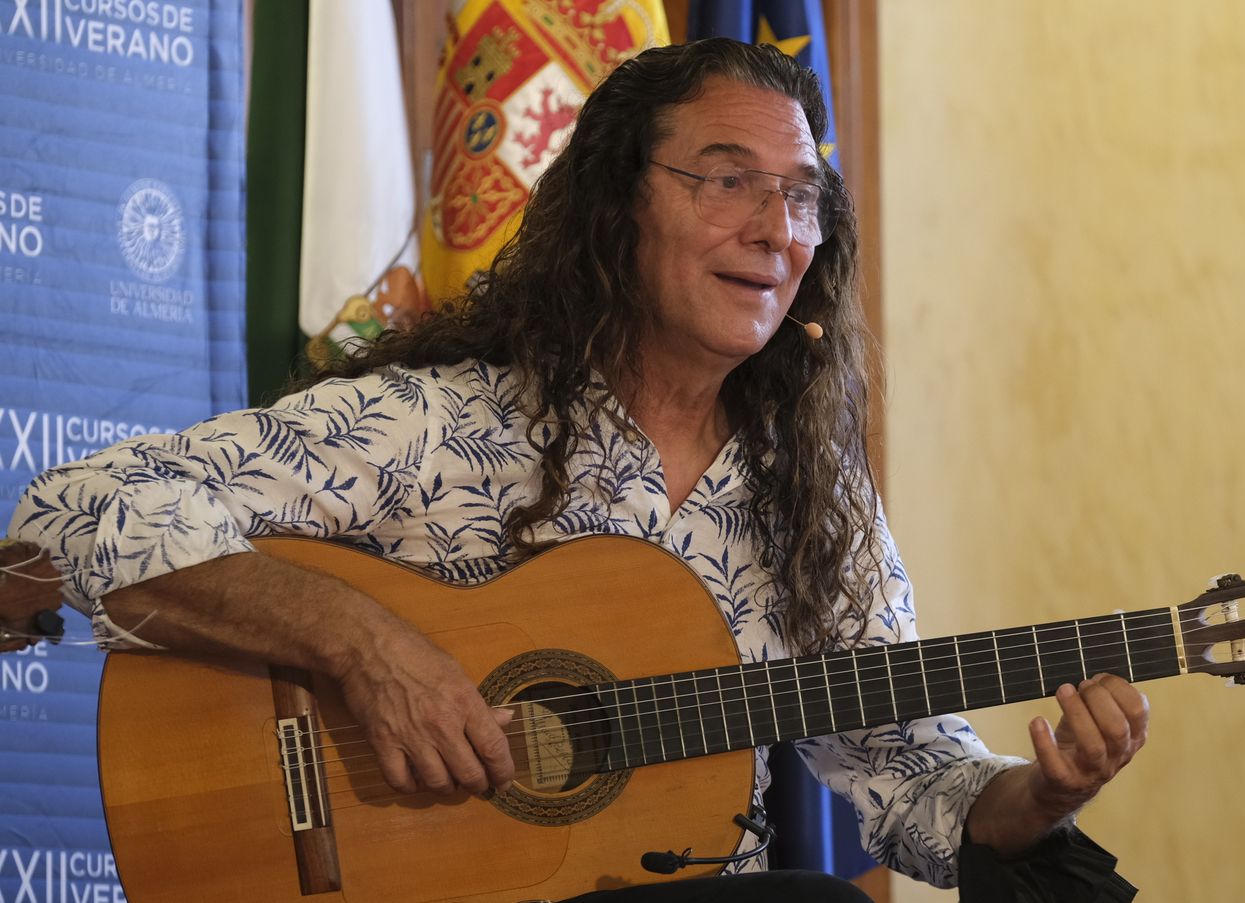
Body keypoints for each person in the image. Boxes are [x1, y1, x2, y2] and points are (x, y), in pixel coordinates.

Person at [7, 38, 1146, 902]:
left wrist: (1036, 795)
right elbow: (75, 509)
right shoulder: (447, 425)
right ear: (616, 203)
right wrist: (367, 649)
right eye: (726, 179)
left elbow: (912, 779)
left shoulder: (812, 492)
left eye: (801, 195)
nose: (777, 229)